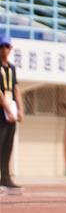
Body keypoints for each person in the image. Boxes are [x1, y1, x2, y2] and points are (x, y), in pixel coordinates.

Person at [0, 35, 24, 194]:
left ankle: (6, 177)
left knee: (8, 146)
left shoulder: (12, 68)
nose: (4, 50)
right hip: (2, 110)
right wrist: (7, 109)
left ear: (11, 49)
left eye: (7, 46)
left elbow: (15, 88)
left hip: (11, 109)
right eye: (1, 47)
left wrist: (20, 109)